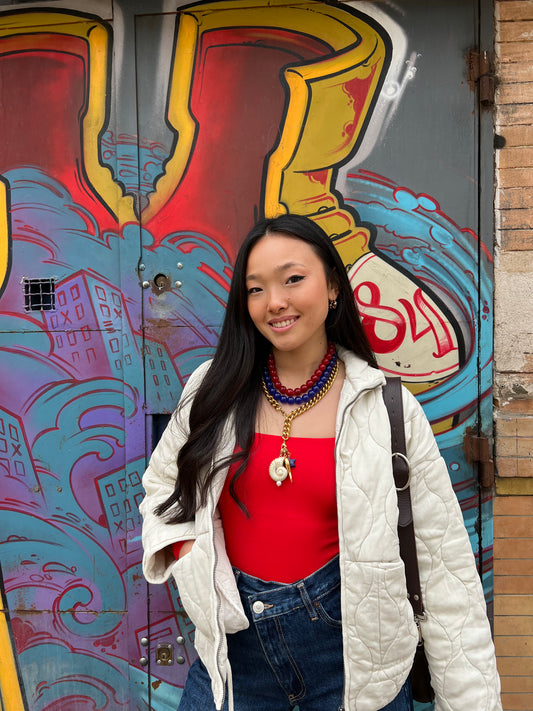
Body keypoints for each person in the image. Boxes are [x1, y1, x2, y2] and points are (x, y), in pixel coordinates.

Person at [140, 214, 501, 711]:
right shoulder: (212, 389)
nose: (275, 302)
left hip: (355, 663)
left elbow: (445, 572)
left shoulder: (386, 408)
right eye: (256, 289)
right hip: (235, 655)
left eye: (292, 279)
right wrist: (191, 559)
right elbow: (162, 486)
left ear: (332, 286)